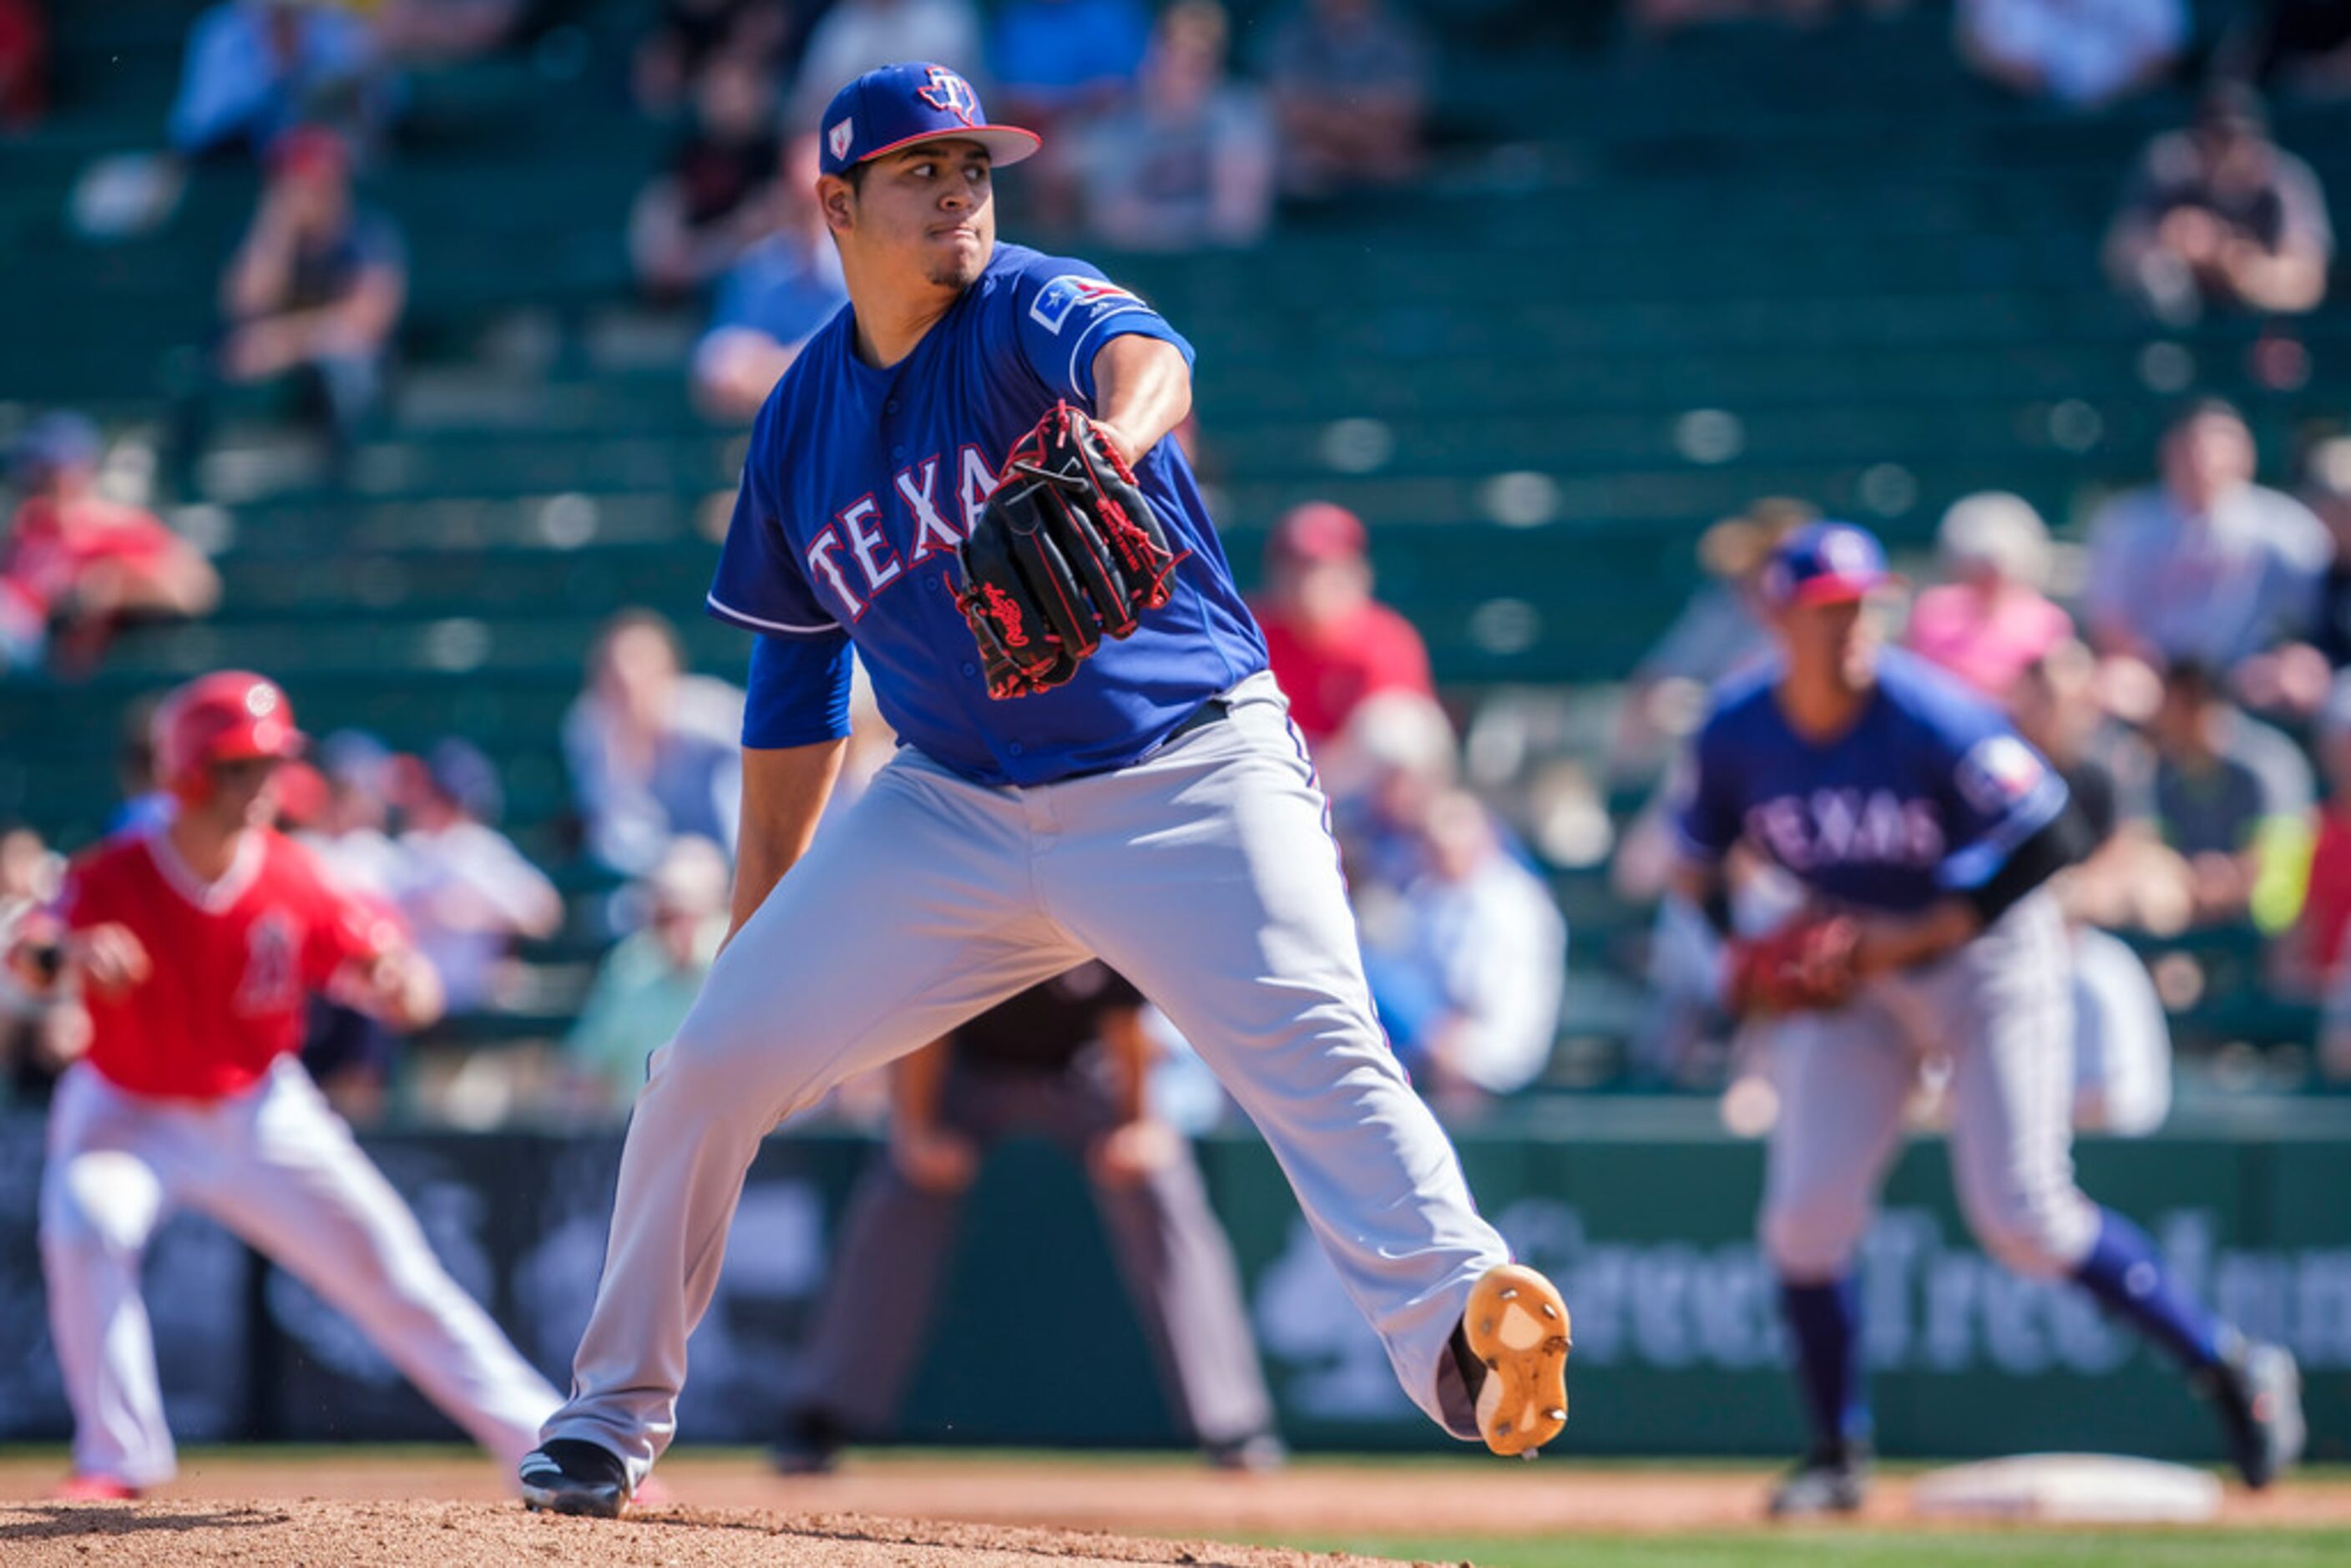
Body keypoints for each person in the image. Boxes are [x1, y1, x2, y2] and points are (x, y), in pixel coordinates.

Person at [517, 62, 1569, 1518]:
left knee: (1314, 1038)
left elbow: (1156, 360)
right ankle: (605, 1417)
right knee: (705, 1064)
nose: (960, 192)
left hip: (1185, 768)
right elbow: (792, 687)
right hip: (952, 804)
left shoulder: (1024, 305)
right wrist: (764, 943)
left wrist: (1111, 438)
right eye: (921, 172)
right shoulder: (799, 421)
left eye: (975, 167)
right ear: (835, 203)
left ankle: (1465, 1329)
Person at [1668, 521, 2302, 1515]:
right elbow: (1693, 859)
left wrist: (1917, 934)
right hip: (1855, 977)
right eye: (1830, 610)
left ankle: (2230, 1365)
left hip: (1984, 954)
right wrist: (1736, 949)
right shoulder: (1735, 726)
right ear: (1777, 617)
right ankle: (1836, 1454)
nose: (1852, 627)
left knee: (2021, 1214)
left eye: (1866, 606)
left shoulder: (1929, 711)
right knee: (1802, 1220)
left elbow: (2052, 836)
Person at [18, 671, 560, 1500]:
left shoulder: (294, 873)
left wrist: (398, 981)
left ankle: (549, 1446)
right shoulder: (118, 872)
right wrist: (73, 958)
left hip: (258, 1108)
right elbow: (29, 946)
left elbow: (397, 977)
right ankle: (118, 1459)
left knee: (397, 1273)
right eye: (243, 766)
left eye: (270, 764)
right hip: (127, 1108)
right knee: (87, 1219)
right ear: (192, 773)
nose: (266, 783)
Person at [771, 962, 1282, 1474]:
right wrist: (916, 1130)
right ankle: (821, 1417)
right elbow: (923, 1018)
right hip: (963, 1067)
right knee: (902, 1187)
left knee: (1158, 1180)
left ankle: (1234, 1423)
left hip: (1083, 1069)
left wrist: (1138, 1123)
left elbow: (1123, 1021)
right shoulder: (976, 904)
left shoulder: (1094, 901)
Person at [2082, 399, 2331, 676]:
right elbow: (2109, 622)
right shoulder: (2125, 523)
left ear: (2247, 454)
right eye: (2193, 447)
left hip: (2255, 674)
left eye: (2220, 447)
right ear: (2169, 452)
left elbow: (2302, 623)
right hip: (2155, 678)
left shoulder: (2290, 528)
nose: (2205, 460)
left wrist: (2279, 662)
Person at [1356, 789, 1566, 1109]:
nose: (1439, 855)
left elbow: (1474, 995)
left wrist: (1448, 1044)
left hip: (1489, 1050)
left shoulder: (1509, 900)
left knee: (1369, 969)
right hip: (1441, 1038)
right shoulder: (1432, 892)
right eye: (1432, 846)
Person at [214, 126, 407, 453]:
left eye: (321, 186)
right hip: (280, 376)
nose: (311, 196)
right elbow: (246, 306)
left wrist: (283, 343)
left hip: (350, 377)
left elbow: (367, 322)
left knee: (343, 363)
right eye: (299, 186)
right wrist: (276, 224)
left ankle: (345, 481)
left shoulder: (369, 235)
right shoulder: (263, 239)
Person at [2, 413, 220, 677]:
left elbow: (196, 591)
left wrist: (114, 586)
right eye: (32, 470)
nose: (35, 481)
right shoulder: (26, 528)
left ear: (82, 468)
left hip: (62, 659)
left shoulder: (117, 526)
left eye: (48, 470)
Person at [2105, 85, 2332, 322]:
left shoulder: (2287, 180)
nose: (2230, 153)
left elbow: (2308, 285)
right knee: (2160, 277)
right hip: (2185, 324)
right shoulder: (2168, 169)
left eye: (2238, 140)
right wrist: (2168, 239)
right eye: (2218, 139)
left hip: (2264, 331)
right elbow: (2117, 256)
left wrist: (2232, 261)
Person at [1078, 0, 1274, 253]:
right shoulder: (1119, 123)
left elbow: (1238, 220)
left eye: (1202, 52)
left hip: (1223, 273)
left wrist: (1161, 228)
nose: (1188, 62)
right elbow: (1115, 222)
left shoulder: (1242, 112)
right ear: (1156, 52)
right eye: (1178, 48)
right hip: (1140, 270)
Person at [563, 609, 745, 875]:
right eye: (613, 667)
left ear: (669, 667)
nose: (626, 675)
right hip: (648, 882)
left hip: (731, 870)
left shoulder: (713, 716)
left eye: (638, 661)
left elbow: (760, 783)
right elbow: (613, 831)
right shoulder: (588, 730)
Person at [389, 739, 564, 1014]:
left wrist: (471, 912)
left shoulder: (478, 848)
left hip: (474, 1005)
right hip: (413, 1008)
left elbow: (546, 912)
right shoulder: (408, 850)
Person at [561, 835, 731, 1117]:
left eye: (686, 913)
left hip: (731, 1141)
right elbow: (586, 1066)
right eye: (665, 914)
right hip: (638, 1136)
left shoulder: (737, 962)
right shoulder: (630, 965)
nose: (675, 926)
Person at [2144, 660, 2313, 931]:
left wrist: (2230, 878)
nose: (2164, 721)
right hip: (2193, 910)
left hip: (2274, 929)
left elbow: (2280, 864)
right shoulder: (2165, 774)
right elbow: (2155, 848)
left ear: (2199, 705)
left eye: (2173, 709)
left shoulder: (2267, 763)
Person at [1251, 500, 1435, 750]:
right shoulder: (1252, 634)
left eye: (1321, 569)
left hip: (1354, 777)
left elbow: (1403, 739)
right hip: (1274, 770)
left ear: (1357, 573)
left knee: (1399, 726)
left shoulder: (1386, 638)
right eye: (1295, 569)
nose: (1308, 584)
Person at [693, 136, 851, 422]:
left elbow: (849, 370)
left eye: (820, 203)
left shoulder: (864, 270)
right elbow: (717, 366)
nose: (808, 215)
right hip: (771, 437)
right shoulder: (760, 268)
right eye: (798, 201)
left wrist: (768, 367)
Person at [630, 50, 785, 300]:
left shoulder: (772, 153)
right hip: (690, 276)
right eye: (716, 90)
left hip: (751, 277)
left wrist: (704, 252)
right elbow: (662, 215)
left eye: (734, 91)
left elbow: (760, 226)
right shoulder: (685, 150)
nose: (725, 101)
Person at [1905, 491, 2072, 700]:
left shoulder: (2046, 621)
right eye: (1980, 569)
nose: (1990, 580)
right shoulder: (1932, 611)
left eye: (1998, 569)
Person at [169, 0, 384, 159]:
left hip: (326, 170)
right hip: (241, 176)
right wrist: (271, 76)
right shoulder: (221, 35)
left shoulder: (331, 28)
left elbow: (385, 109)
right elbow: (193, 132)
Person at [1262, 0, 1429, 196]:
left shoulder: (1403, 36)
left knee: (1398, 168)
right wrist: (1360, 118)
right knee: (1299, 168)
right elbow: (1287, 111)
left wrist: (1323, 113)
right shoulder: (1288, 35)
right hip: (1316, 155)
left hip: (1379, 155)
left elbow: (1401, 113)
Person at [1954, 0, 2186, 109]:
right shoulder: (1998, 9)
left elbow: (2165, 55)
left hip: (2126, 123)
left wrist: (2106, 102)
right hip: (2021, 124)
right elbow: (1974, 47)